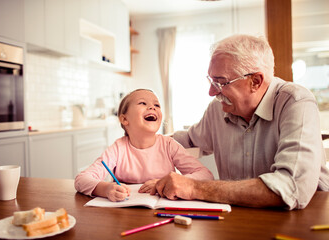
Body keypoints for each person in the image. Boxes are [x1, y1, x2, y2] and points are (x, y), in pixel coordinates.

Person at [150, 34, 329, 210]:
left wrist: (194, 187)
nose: (212, 92)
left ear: (255, 81)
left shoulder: (295, 102)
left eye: (221, 83)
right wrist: (142, 138)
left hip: (304, 219)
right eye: (211, 81)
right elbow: (188, 140)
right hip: (239, 217)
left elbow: (292, 187)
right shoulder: (217, 109)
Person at [75, 89, 214, 202]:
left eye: (157, 105)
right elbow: (81, 180)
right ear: (124, 119)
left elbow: (206, 175)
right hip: (125, 215)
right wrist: (105, 189)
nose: (152, 107)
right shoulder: (118, 148)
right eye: (142, 103)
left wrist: (171, 182)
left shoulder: (169, 145)